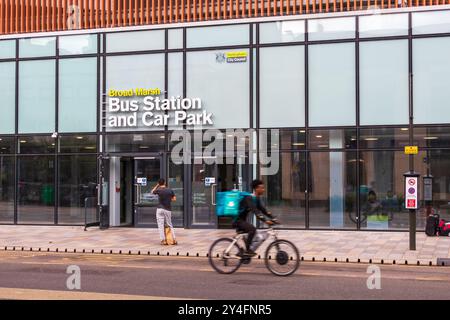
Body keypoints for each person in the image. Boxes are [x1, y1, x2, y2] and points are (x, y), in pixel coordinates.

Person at [233, 179, 276, 256]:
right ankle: (247, 251)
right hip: (237, 221)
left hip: (242, 221)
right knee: (252, 229)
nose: (263, 189)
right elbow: (256, 212)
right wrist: (266, 221)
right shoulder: (249, 198)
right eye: (261, 188)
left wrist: (273, 218)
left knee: (252, 234)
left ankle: (242, 252)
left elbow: (263, 210)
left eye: (263, 188)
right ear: (256, 189)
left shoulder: (256, 199)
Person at [151, 178, 177, 245]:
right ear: (165, 183)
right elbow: (174, 199)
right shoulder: (170, 190)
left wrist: (157, 186)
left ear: (159, 183)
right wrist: (168, 199)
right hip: (167, 209)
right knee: (169, 224)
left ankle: (163, 240)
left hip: (159, 209)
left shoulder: (158, 190)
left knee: (160, 225)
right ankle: (174, 239)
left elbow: (152, 192)